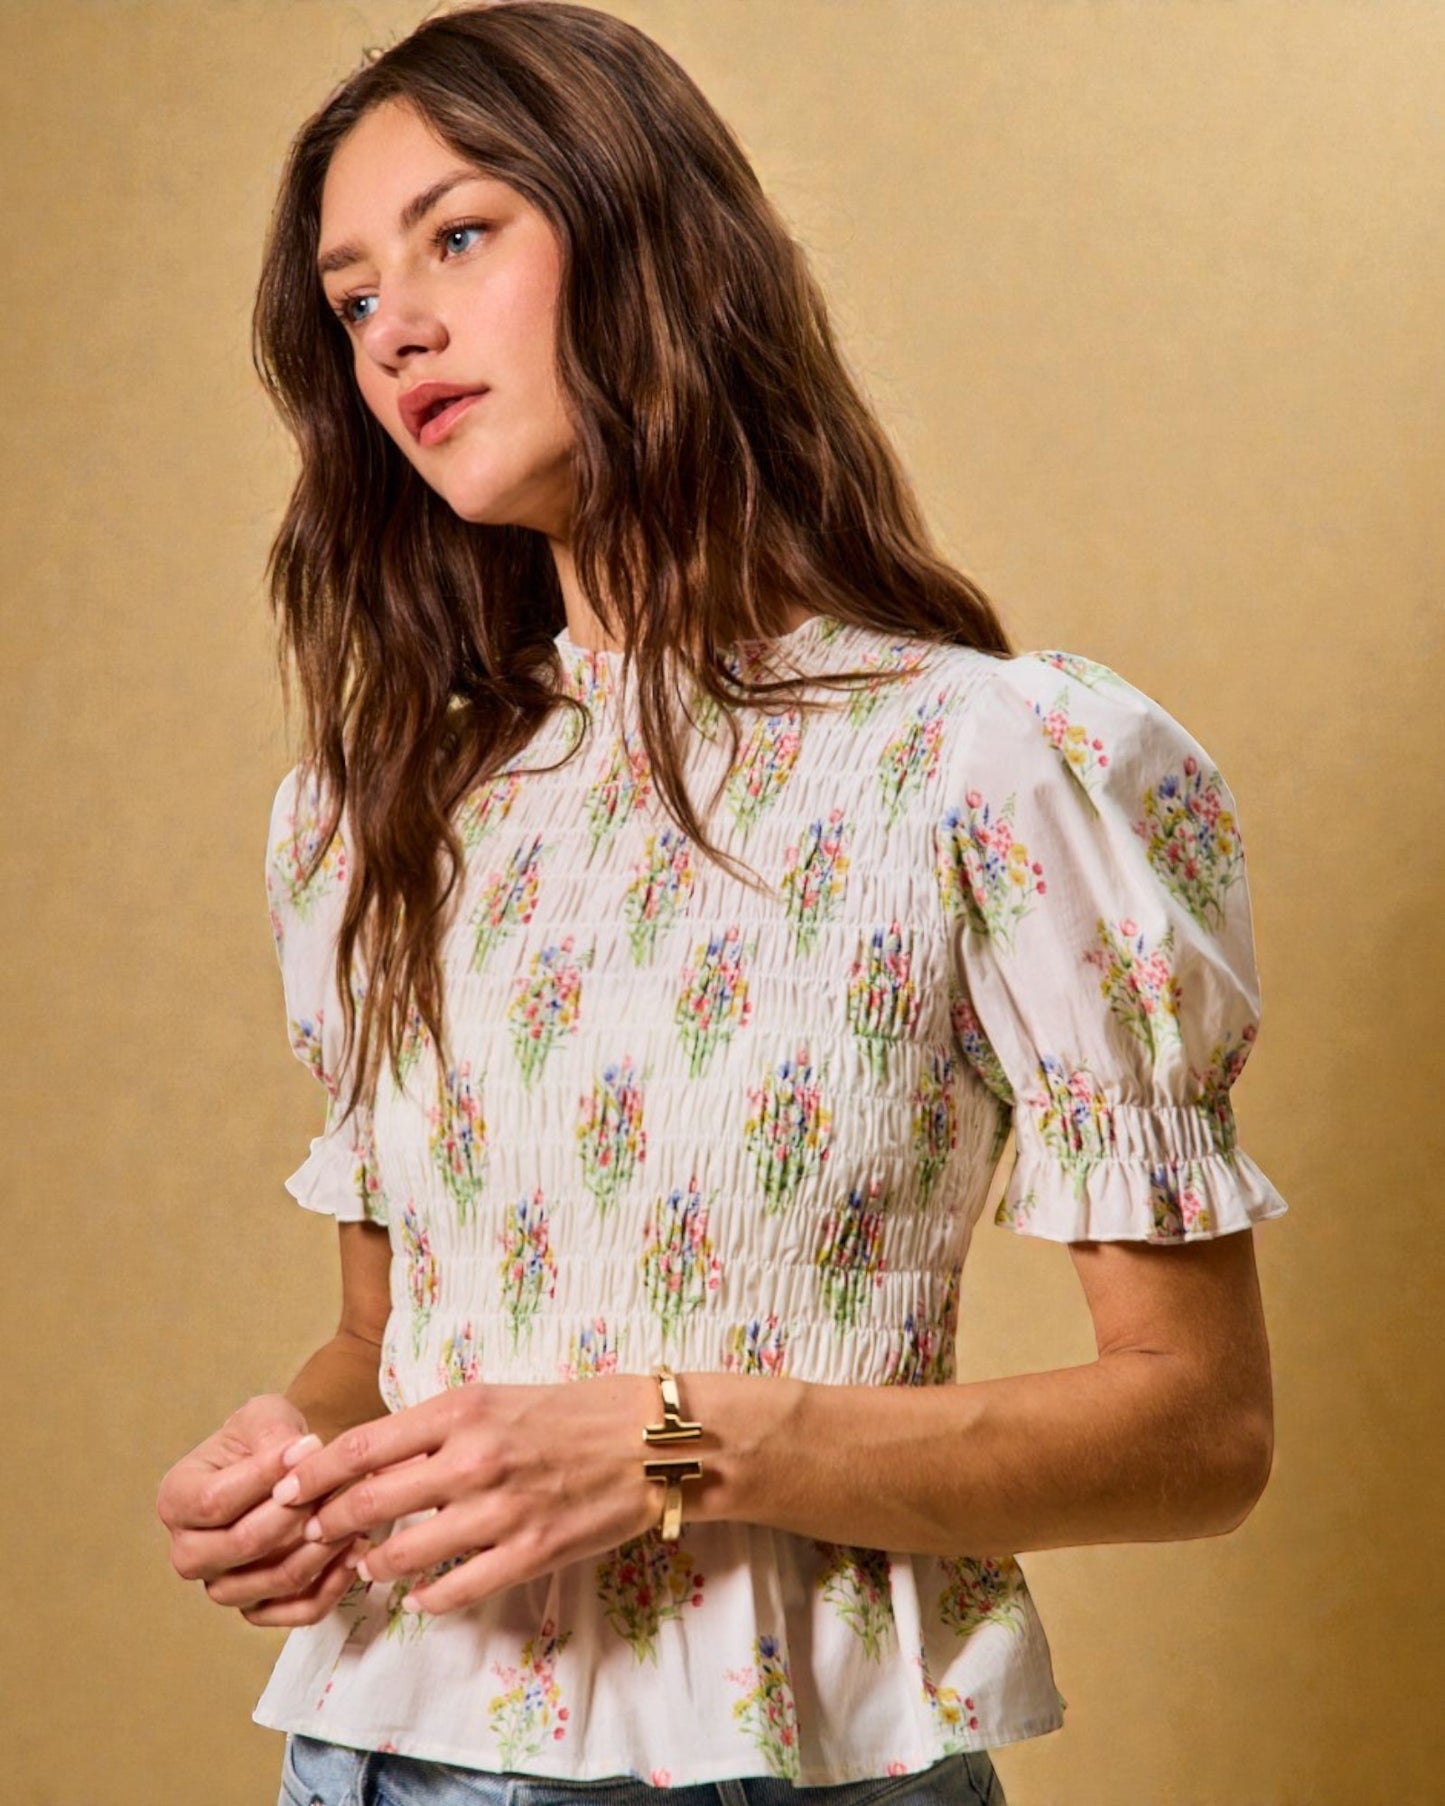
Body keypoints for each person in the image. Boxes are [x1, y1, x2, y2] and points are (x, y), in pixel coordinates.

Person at [156, 6, 1287, 1804]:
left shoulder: (990, 763)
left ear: (646, 240)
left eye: (459, 234)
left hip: (803, 1763)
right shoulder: (378, 814)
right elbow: (390, 1340)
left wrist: (677, 1442)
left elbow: (1198, 1430)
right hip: (373, 1752)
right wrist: (294, 1453)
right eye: (353, 298)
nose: (399, 334)